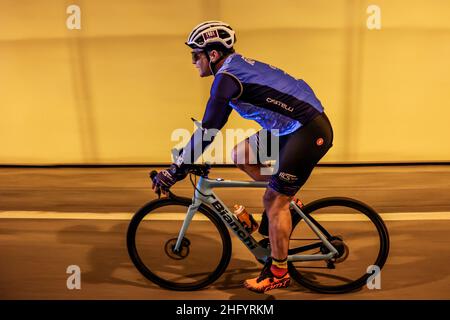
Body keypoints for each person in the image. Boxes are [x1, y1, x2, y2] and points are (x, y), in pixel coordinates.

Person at [152, 21, 333, 293]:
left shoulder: (227, 79)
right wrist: (181, 164)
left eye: (195, 55)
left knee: (272, 200)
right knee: (241, 154)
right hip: (288, 126)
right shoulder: (231, 72)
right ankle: (287, 200)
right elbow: (210, 128)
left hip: (308, 130)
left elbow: (207, 131)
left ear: (212, 55)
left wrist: (175, 171)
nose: (192, 61)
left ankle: (279, 271)